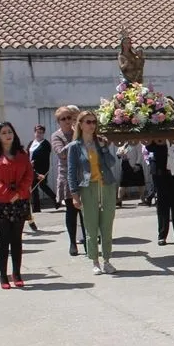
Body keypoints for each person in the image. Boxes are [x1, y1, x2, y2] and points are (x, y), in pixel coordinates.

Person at [67, 111, 120, 276]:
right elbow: (71, 171)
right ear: (81, 124)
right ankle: (95, 261)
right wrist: (74, 195)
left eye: (94, 122)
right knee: (91, 226)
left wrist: (104, 148)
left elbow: (112, 162)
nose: (92, 125)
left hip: (106, 186)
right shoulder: (75, 146)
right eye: (88, 122)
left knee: (107, 225)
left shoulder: (100, 143)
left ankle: (107, 260)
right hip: (87, 187)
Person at [0, 122, 33, 288]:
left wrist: (18, 193)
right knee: (3, 240)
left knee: (16, 240)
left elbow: (29, 174)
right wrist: (9, 193)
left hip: (20, 201)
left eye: (10, 132)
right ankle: (3, 276)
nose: (8, 135)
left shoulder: (22, 153)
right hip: (0, 202)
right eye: (4, 132)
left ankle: (17, 273)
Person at [52, 106, 86, 256]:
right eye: (63, 119)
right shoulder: (56, 136)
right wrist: (75, 141)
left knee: (85, 210)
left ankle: (87, 240)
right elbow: (62, 153)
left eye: (69, 118)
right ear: (58, 121)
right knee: (72, 210)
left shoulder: (78, 133)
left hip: (83, 175)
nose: (67, 121)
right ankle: (73, 242)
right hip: (67, 176)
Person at [147, 138, 174, 245]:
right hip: (161, 170)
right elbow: (149, 147)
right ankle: (162, 235)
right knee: (162, 203)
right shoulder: (158, 131)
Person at [28, 125, 58, 212]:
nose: (39, 134)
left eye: (41, 132)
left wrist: (35, 162)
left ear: (43, 133)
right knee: (36, 186)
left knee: (41, 185)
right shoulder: (31, 143)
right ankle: (37, 207)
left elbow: (44, 157)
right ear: (35, 133)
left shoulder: (45, 144)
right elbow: (27, 153)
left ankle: (55, 200)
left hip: (41, 169)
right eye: (37, 132)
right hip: (31, 168)